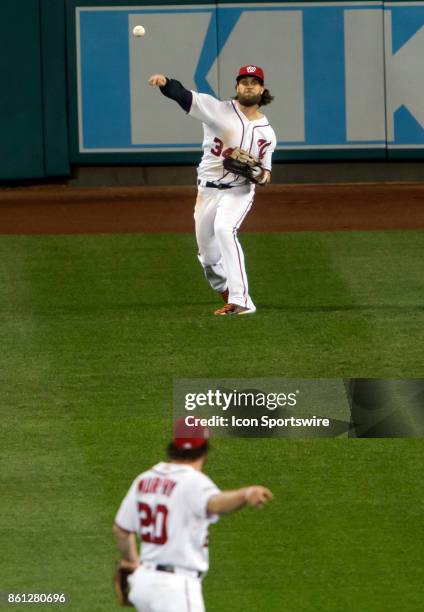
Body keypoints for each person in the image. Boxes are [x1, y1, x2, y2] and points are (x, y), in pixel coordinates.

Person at [148, 66, 277, 315]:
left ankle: (242, 301)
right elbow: (183, 96)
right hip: (206, 192)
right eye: (244, 81)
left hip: (239, 191)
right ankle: (228, 293)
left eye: (254, 82)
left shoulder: (268, 133)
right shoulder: (216, 109)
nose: (249, 85)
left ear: (262, 89)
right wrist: (165, 82)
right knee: (208, 259)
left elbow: (266, 174)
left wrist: (258, 174)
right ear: (237, 87)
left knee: (224, 229)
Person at [113, 418, 273, 611]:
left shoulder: (145, 479)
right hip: (175, 589)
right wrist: (245, 494)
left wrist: (132, 563)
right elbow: (215, 503)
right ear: (205, 450)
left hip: (143, 583)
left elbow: (121, 530)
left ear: (173, 445)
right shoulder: (193, 482)